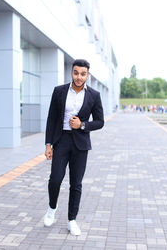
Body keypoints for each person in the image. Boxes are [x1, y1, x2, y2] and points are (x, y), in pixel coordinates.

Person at [43, 59, 104, 235]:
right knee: (55, 179)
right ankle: (51, 209)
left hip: (81, 144)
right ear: (71, 73)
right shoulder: (59, 91)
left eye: (83, 74)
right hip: (61, 140)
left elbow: (100, 122)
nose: (79, 77)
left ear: (87, 75)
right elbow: (51, 119)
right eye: (76, 73)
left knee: (75, 184)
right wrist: (48, 144)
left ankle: (72, 220)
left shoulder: (94, 95)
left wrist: (82, 125)